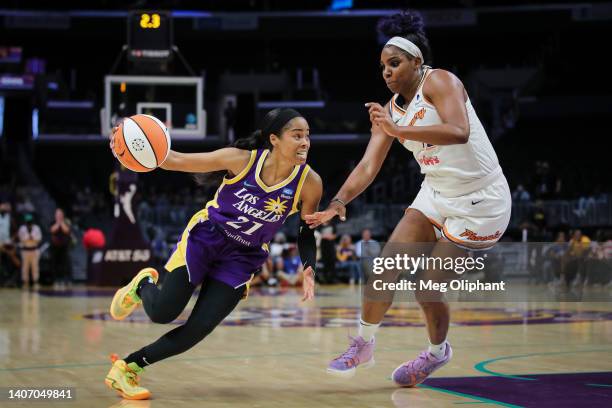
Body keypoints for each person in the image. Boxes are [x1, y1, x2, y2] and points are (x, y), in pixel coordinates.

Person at [306, 10, 511, 387]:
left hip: (480, 202)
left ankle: (436, 354)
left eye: (394, 63)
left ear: (417, 61)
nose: (385, 71)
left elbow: (459, 130)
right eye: (382, 65)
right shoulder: (391, 112)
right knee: (385, 268)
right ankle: (363, 344)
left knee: (427, 286)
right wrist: (337, 202)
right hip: (436, 191)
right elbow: (369, 166)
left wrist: (398, 128)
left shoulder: (441, 81)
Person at [104, 108, 322, 400]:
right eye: (297, 136)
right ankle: (143, 285)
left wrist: (309, 267)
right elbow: (175, 160)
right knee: (162, 312)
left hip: (243, 257)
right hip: (207, 239)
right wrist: (131, 147)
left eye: (307, 136)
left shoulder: (310, 182)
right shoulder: (240, 160)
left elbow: (306, 231)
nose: (305, 142)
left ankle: (127, 368)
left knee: (198, 328)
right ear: (274, 139)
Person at [17, 213, 42, 289]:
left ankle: (35, 281)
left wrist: (32, 237)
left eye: (30, 221)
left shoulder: (36, 228)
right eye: (28, 221)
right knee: (25, 267)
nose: (29, 223)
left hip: (34, 250)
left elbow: (39, 238)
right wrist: (28, 237)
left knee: (35, 267)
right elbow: (21, 239)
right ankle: (25, 282)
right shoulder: (22, 228)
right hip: (25, 250)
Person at [49, 208, 72, 288]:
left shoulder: (66, 222)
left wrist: (61, 223)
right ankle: (56, 280)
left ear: (62, 215)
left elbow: (66, 231)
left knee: (64, 264)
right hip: (55, 247)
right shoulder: (52, 222)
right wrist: (57, 223)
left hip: (64, 247)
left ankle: (64, 280)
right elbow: (52, 230)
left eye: (60, 214)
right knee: (55, 264)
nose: (58, 216)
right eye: (57, 214)